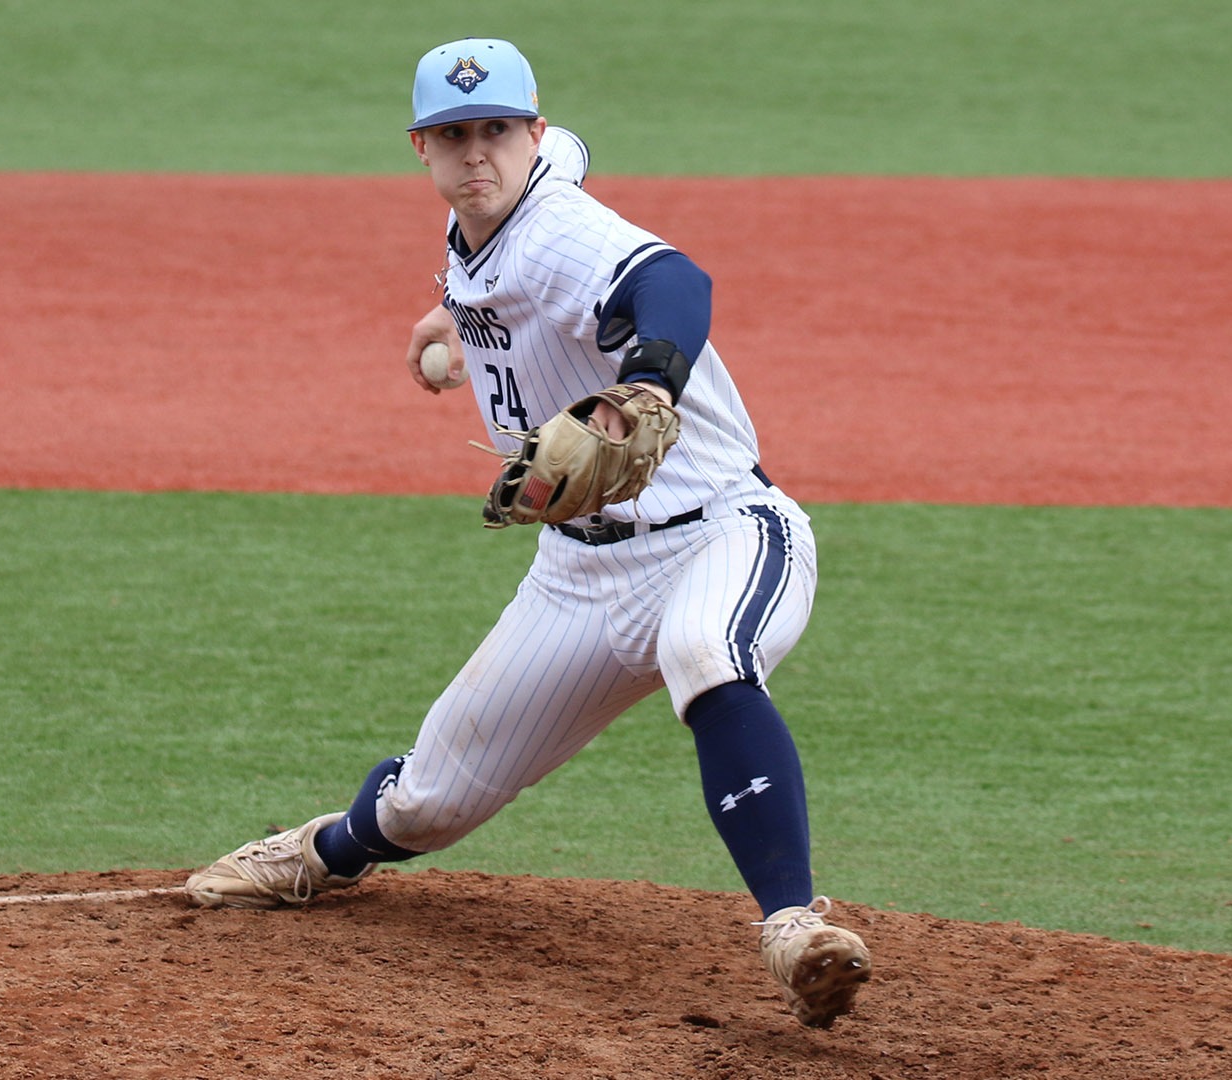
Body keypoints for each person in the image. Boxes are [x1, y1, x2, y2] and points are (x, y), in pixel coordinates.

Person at [185, 37, 872, 1028]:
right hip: (579, 579)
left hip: (721, 530)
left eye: (498, 132)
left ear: (531, 134)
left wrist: (648, 383)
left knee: (704, 651)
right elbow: (512, 238)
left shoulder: (559, 231)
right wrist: (453, 316)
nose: (479, 155)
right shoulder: (511, 200)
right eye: (456, 136)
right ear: (419, 150)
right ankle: (322, 853)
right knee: (429, 802)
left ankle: (794, 930)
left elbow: (676, 282)